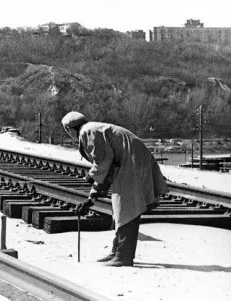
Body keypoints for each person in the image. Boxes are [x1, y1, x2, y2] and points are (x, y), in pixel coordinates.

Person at [61, 111, 169, 267]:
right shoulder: (93, 128)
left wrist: (91, 175)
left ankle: (123, 257)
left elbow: (102, 162)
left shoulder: (87, 131)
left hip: (131, 162)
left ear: (69, 129)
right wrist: (92, 198)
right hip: (131, 160)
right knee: (120, 208)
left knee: (127, 209)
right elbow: (107, 168)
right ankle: (117, 250)